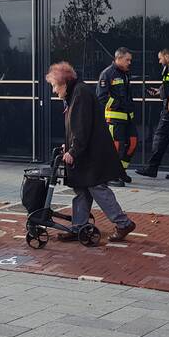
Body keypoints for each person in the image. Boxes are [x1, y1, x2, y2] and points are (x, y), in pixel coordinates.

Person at [47, 61, 136, 242]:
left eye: (55, 86)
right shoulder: (76, 93)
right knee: (82, 189)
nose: (54, 91)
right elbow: (77, 128)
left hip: (92, 154)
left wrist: (73, 150)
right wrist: (69, 146)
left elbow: (81, 127)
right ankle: (79, 227)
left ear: (64, 82)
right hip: (88, 153)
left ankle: (123, 222)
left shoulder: (80, 94)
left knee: (97, 187)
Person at [137, 48, 169, 180]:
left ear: (166, 56)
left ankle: (152, 168)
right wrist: (160, 92)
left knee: (160, 136)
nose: (160, 61)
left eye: (160, 58)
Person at [96, 47, 136, 187]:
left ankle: (121, 171)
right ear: (118, 58)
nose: (129, 62)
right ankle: (111, 175)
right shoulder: (107, 74)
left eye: (130, 60)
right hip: (114, 118)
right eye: (127, 60)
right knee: (117, 147)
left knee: (132, 144)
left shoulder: (125, 74)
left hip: (128, 117)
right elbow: (102, 97)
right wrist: (118, 104)